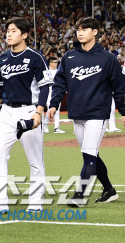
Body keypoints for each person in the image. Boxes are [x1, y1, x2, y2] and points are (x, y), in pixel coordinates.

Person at [48, 17, 125, 207]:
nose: (80, 33)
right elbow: (59, 83)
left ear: (95, 32)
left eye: (84, 29)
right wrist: (53, 104)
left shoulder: (108, 58)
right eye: (78, 30)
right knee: (90, 155)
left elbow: (120, 87)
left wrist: (124, 112)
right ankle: (109, 190)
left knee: (89, 154)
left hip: (97, 114)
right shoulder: (69, 57)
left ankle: (80, 195)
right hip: (76, 114)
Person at [0, 18, 52, 212]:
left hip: (29, 111)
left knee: (35, 160)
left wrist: (39, 112)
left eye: (13, 30)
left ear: (24, 34)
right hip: (6, 112)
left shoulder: (35, 58)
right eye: (7, 31)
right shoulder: (3, 59)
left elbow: (45, 87)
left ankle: (36, 203)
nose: (9, 34)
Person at [43, 56, 65, 133]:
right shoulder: (47, 71)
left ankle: (56, 127)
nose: (56, 64)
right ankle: (45, 125)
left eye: (57, 62)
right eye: (55, 62)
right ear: (50, 63)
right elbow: (48, 81)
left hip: (57, 92)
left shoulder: (58, 71)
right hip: (49, 93)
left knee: (57, 109)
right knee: (50, 108)